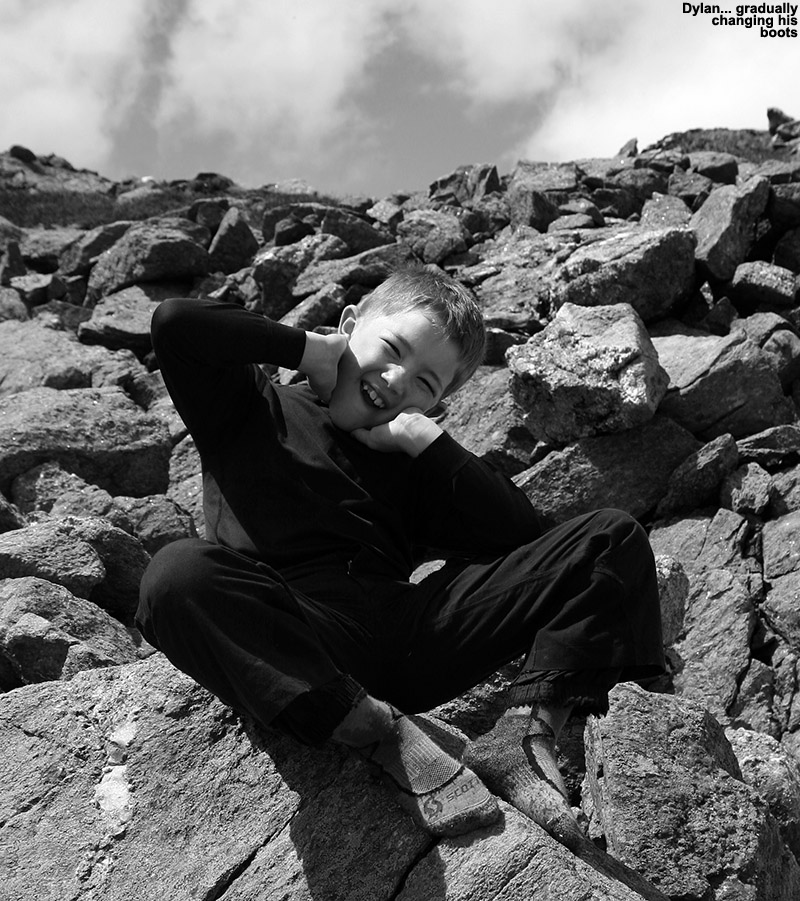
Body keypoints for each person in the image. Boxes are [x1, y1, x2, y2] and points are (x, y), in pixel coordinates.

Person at [136, 265, 665, 842]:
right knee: (176, 574)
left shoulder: (412, 464)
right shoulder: (250, 408)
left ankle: (523, 736)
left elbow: (524, 539)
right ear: (349, 324)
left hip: (407, 640)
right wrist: (308, 350)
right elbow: (177, 323)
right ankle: (375, 731)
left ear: (436, 404)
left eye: (425, 384)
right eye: (392, 349)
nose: (395, 380)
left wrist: (425, 442)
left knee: (612, 538)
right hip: (293, 633)